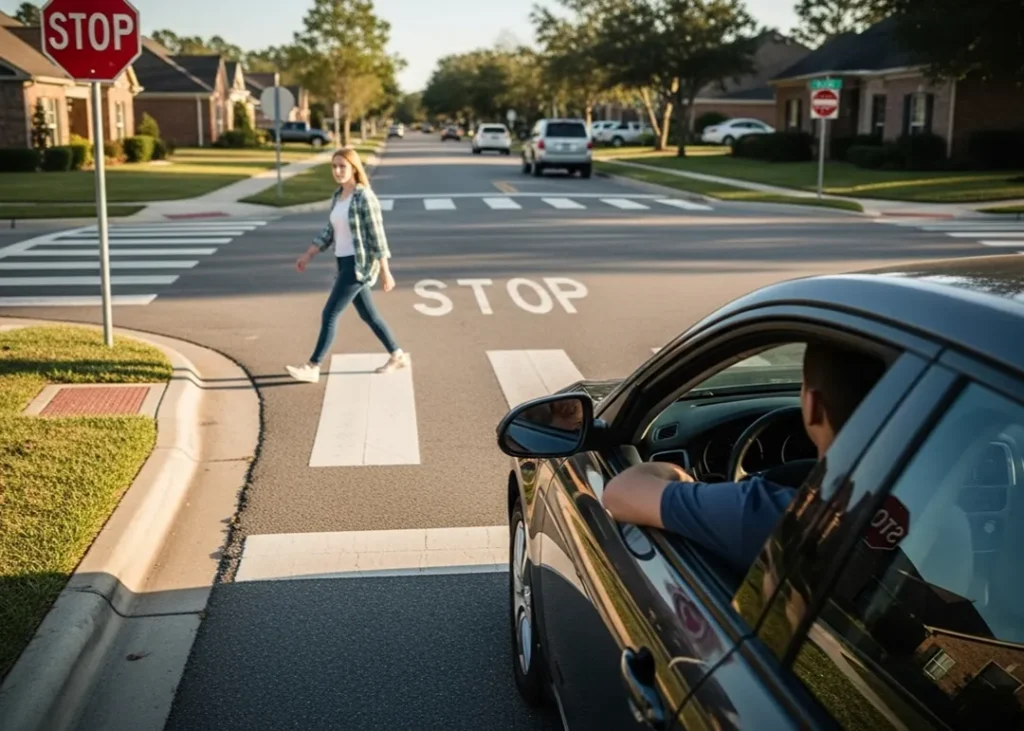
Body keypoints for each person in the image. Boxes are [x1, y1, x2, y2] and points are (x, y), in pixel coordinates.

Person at [601, 341, 885, 576]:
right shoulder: (912, 501)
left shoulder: (767, 513)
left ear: (813, 406)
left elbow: (618, 493)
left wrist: (679, 476)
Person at [286, 147, 406, 384]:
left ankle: (313, 365)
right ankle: (397, 354)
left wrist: (385, 271)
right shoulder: (338, 196)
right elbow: (330, 231)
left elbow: (377, 235)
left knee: (330, 313)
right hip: (343, 262)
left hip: (357, 264)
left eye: (342, 166)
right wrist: (309, 254)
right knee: (369, 315)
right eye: (334, 166)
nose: (338, 171)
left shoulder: (364, 197)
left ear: (354, 168)